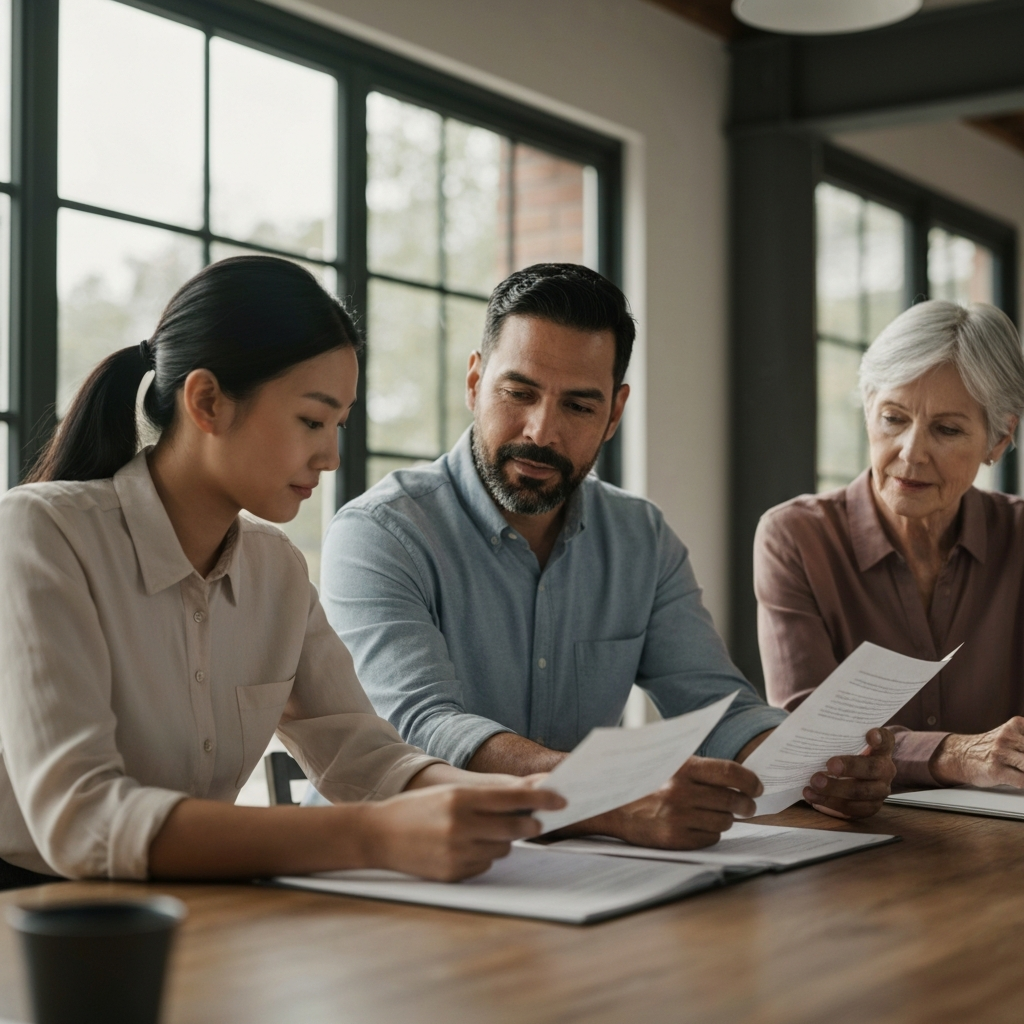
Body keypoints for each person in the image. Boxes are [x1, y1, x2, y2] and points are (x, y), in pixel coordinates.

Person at [0, 255, 563, 891]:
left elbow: (362, 755)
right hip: (30, 924)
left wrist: (512, 799)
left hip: (201, 911)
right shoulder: (41, 533)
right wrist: (373, 836)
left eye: (339, 424)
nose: (330, 456)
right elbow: (82, 820)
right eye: (311, 420)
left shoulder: (277, 571)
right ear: (207, 401)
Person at [314, 263, 896, 846]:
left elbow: (719, 706)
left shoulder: (640, 538)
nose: (541, 431)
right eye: (518, 393)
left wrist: (822, 769)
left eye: (578, 407)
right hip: (393, 867)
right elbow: (421, 727)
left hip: (579, 870)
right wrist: (608, 791)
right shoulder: (380, 533)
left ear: (614, 413)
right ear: (474, 382)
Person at [755, 299, 1024, 788]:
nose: (911, 452)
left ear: (999, 441)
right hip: (850, 836)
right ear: (867, 413)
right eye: (894, 418)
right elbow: (807, 726)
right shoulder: (796, 537)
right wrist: (953, 754)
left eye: (947, 429)